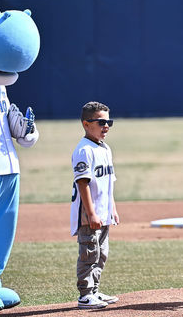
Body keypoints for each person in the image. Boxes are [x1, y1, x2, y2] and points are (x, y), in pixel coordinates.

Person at [71, 101, 120, 309]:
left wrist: (113, 209)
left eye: (108, 121)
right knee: (89, 253)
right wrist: (91, 214)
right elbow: (83, 183)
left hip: (104, 213)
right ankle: (85, 294)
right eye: (101, 122)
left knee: (102, 253)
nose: (106, 126)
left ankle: (95, 290)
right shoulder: (84, 150)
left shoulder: (105, 148)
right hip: (88, 214)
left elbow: (109, 182)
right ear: (86, 124)